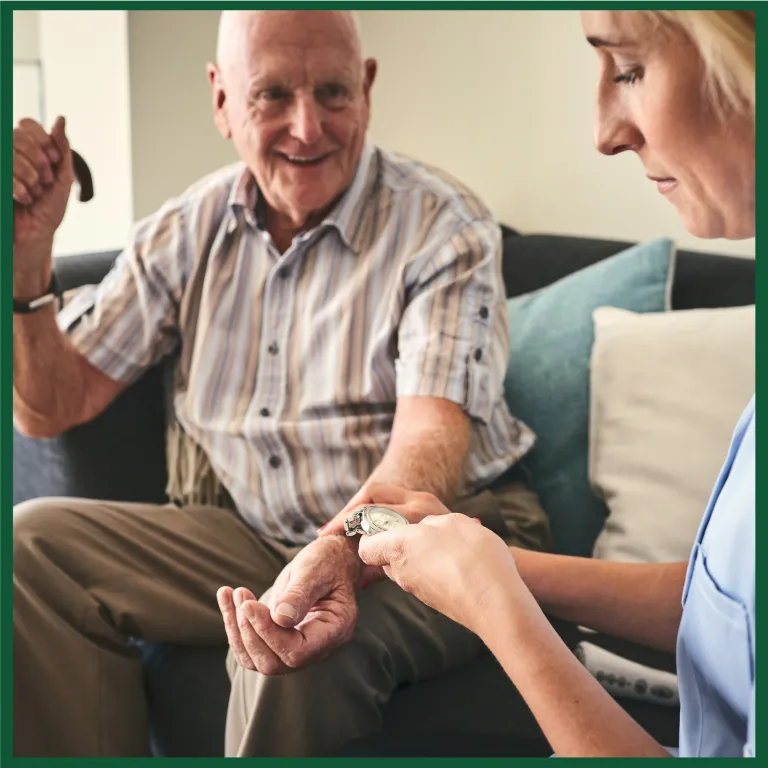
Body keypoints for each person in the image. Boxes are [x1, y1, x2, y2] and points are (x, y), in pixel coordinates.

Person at [11, 10, 551, 759]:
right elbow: (51, 407)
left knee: (294, 642)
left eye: (333, 92)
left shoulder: (441, 224)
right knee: (29, 546)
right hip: (254, 533)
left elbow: (429, 448)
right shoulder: (190, 227)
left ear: (366, 88)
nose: (308, 128)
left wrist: (336, 555)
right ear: (222, 99)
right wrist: (29, 255)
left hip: (425, 531)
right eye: (271, 97)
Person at [351, 10, 755, 758]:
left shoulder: (438, 221)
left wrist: (496, 604)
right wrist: (491, 561)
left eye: (629, 70)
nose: (606, 131)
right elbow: (729, 611)